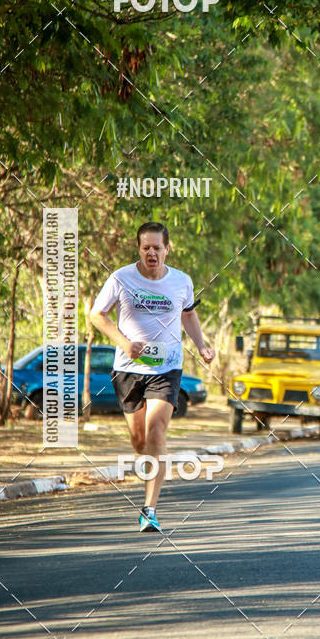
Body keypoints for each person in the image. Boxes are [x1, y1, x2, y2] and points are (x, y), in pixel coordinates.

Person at [90, 222, 214, 531]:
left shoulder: (182, 281)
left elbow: (188, 314)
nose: (152, 253)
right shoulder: (120, 278)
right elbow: (95, 314)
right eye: (146, 247)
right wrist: (124, 344)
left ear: (167, 249)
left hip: (166, 368)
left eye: (157, 248)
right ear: (139, 249)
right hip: (128, 368)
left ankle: (150, 509)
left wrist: (202, 345)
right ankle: (151, 464)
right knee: (140, 440)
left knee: (157, 431)